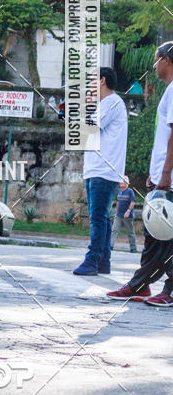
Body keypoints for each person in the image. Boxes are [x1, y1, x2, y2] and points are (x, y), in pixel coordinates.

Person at [108, 42, 173, 307]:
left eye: (156, 60)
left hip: (169, 178)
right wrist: (156, 173)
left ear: (167, 60)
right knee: (155, 234)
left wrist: (166, 175)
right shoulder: (169, 90)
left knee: (164, 235)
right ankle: (142, 284)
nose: (154, 66)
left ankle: (164, 288)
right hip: (163, 176)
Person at [73, 67, 128, 276]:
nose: (89, 85)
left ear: (102, 81)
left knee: (97, 217)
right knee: (102, 217)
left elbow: (89, 128)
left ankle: (92, 260)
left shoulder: (111, 102)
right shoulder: (105, 104)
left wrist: (84, 108)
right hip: (97, 168)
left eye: (92, 80)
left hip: (104, 170)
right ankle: (103, 261)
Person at [110, 176, 137, 253]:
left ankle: (133, 248)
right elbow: (118, 201)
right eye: (121, 181)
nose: (122, 182)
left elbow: (133, 202)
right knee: (114, 230)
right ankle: (110, 246)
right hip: (118, 215)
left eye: (124, 181)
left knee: (130, 232)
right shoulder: (119, 191)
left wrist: (128, 211)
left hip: (127, 216)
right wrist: (116, 210)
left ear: (127, 183)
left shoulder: (130, 191)